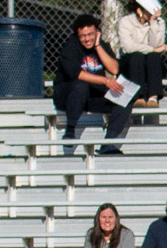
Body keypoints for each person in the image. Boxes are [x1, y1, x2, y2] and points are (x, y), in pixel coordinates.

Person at [54, 15, 132, 153]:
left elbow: (114, 69)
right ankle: (70, 131)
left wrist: (98, 46)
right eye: (83, 36)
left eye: (90, 34)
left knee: (125, 99)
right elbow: (78, 74)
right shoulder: (71, 47)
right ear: (77, 36)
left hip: (92, 95)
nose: (87, 39)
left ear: (97, 32)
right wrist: (105, 81)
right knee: (81, 85)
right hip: (69, 95)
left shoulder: (102, 45)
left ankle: (108, 143)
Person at [118, 0, 167, 105]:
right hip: (131, 62)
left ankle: (153, 97)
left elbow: (156, 44)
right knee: (137, 56)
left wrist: (153, 23)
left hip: (150, 62)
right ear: (140, 11)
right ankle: (138, 97)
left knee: (154, 57)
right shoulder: (126, 22)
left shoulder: (159, 22)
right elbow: (129, 47)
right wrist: (153, 49)